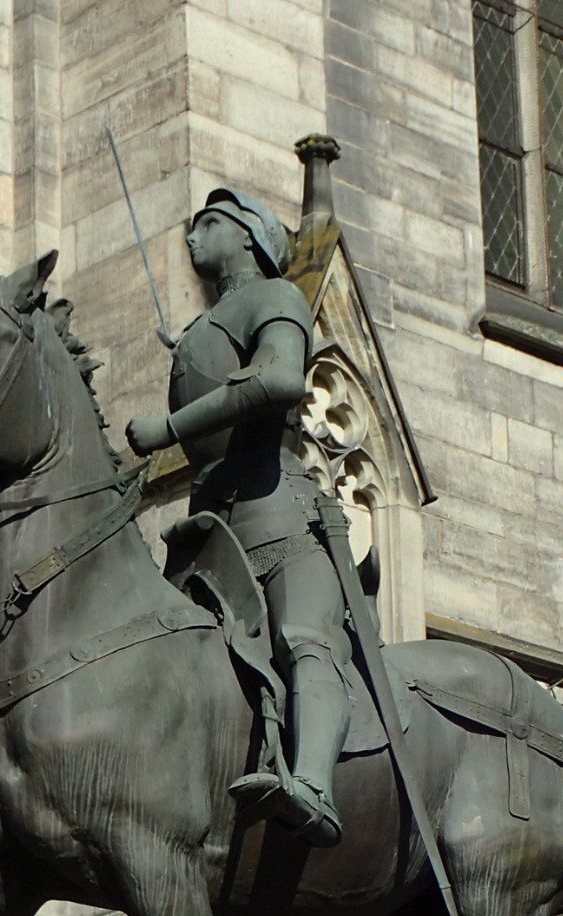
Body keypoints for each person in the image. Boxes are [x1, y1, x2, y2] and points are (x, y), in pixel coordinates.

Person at [124, 189, 352, 847]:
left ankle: (314, 789)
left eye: (211, 224)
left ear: (248, 237)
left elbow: (281, 381)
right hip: (210, 534)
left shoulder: (277, 298)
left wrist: (167, 426)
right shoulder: (203, 330)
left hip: (279, 517)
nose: (194, 235)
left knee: (306, 639)